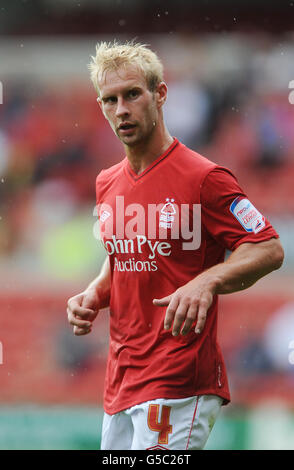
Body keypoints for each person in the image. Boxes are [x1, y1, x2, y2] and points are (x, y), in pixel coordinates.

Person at [67, 40, 284, 450]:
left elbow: (268, 247)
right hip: (121, 382)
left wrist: (208, 281)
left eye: (133, 94)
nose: (122, 109)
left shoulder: (205, 177)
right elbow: (123, 257)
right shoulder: (106, 183)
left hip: (178, 378)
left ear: (160, 94)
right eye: (110, 100)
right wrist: (96, 291)